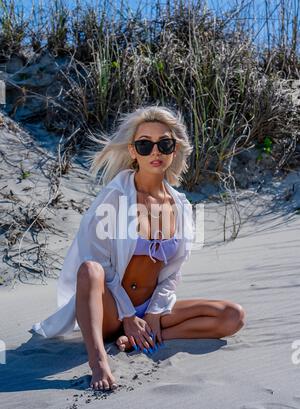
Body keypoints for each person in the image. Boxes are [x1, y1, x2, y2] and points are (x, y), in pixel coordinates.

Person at [32, 105, 246, 391]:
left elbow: (172, 272)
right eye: (145, 145)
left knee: (232, 317)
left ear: (174, 149)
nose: (155, 152)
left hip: (149, 310)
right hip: (111, 311)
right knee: (90, 270)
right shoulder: (115, 197)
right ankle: (98, 360)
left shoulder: (181, 206)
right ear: (133, 151)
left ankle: (144, 338)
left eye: (164, 144)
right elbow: (97, 265)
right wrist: (128, 317)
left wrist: (154, 314)